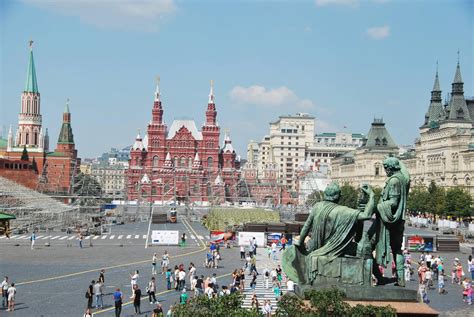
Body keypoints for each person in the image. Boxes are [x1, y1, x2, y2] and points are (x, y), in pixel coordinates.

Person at [369, 157, 410, 287]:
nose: (385, 171)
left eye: (386, 168)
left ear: (389, 168)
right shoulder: (403, 179)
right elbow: (406, 173)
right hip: (398, 221)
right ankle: (401, 279)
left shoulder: (394, 181)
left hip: (387, 222)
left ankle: (379, 277)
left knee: (367, 246)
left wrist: (378, 206)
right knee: (397, 249)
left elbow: (393, 202)